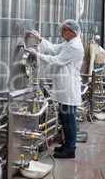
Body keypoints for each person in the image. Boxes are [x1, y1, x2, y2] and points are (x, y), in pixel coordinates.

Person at [27, 19, 84, 158]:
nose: (62, 32)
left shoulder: (75, 46)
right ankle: (67, 145)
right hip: (64, 88)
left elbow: (57, 59)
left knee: (69, 120)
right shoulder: (69, 43)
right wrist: (40, 40)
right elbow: (53, 48)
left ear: (72, 32)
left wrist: (37, 54)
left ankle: (70, 149)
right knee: (64, 118)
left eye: (64, 30)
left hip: (69, 88)